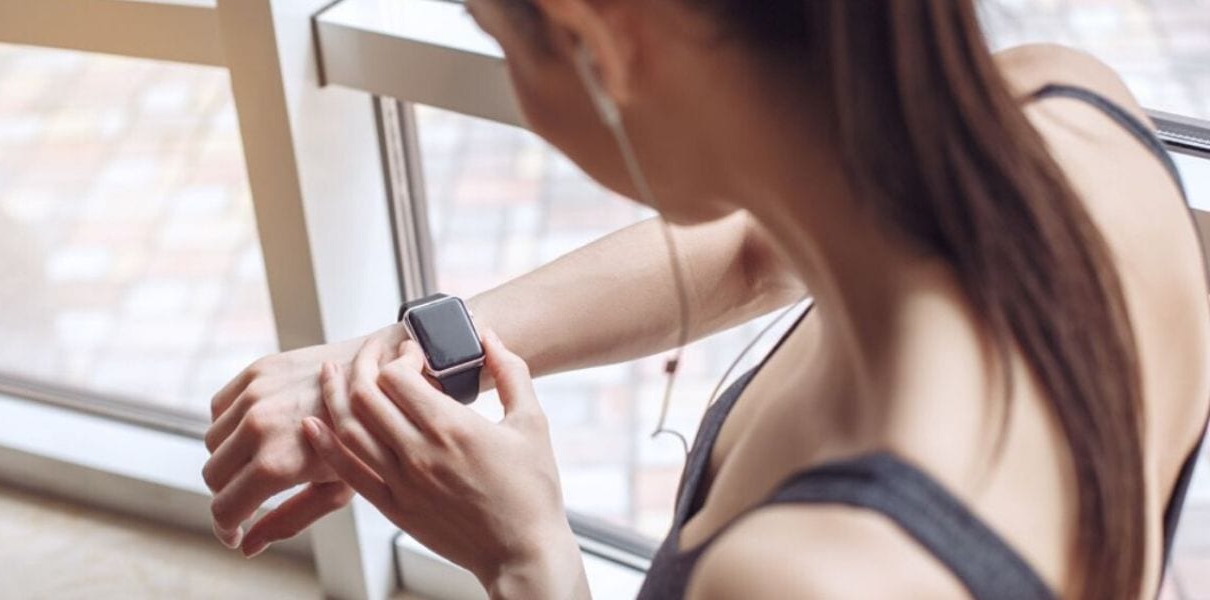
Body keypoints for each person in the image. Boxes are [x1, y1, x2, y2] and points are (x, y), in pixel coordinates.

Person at [201, 1, 1210, 598]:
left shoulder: (800, 579)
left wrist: (524, 555)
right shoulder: (1070, 113)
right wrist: (407, 358)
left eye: (492, 29)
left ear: (596, 41)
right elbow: (758, 244)